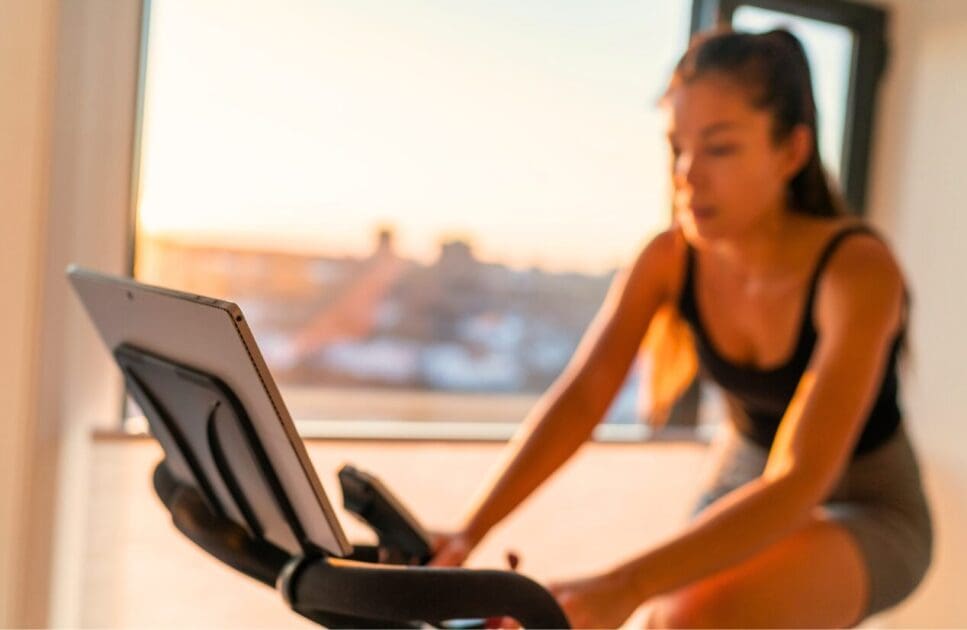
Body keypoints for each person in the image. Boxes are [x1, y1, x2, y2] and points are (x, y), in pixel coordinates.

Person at [429, 28, 933, 629]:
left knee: (690, 618)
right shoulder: (668, 258)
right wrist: (466, 534)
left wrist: (624, 584)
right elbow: (583, 398)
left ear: (792, 153)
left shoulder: (858, 269)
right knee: (668, 618)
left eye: (719, 149)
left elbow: (799, 479)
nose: (688, 175)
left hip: (866, 500)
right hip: (745, 476)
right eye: (677, 148)